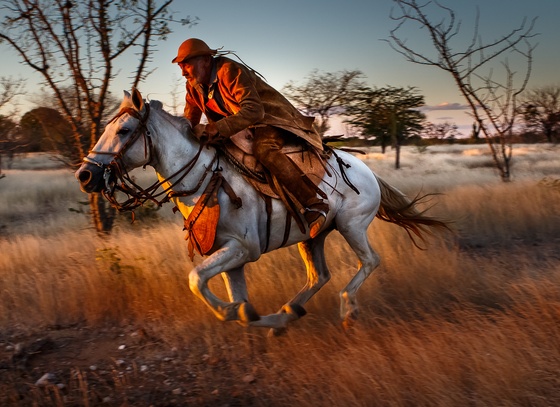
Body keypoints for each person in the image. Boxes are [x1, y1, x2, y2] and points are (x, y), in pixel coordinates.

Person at [172, 38, 329, 238]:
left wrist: (216, 128)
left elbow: (254, 111)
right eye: (181, 67)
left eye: (186, 65)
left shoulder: (229, 71)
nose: (183, 72)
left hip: (269, 121)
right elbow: (189, 122)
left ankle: (314, 205)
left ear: (204, 60)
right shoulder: (193, 86)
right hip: (238, 129)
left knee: (264, 150)